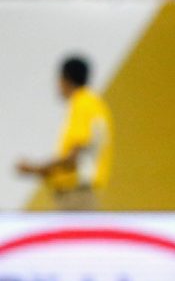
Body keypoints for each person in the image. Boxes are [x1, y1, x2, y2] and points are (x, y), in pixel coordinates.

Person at [15, 56, 114, 211]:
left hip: (76, 196)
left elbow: (72, 159)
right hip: (82, 193)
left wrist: (36, 169)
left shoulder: (81, 104)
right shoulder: (94, 104)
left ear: (65, 79)